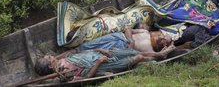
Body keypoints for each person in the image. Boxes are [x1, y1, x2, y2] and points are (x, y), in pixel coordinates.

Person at [34, 45, 177, 80]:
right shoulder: (64, 74)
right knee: (138, 58)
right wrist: (99, 62)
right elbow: (86, 77)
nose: (51, 56)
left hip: (100, 55)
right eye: (49, 58)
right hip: (103, 64)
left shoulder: (62, 59)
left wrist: (99, 50)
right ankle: (157, 57)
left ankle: (160, 54)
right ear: (49, 66)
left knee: (133, 52)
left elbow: (80, 53)